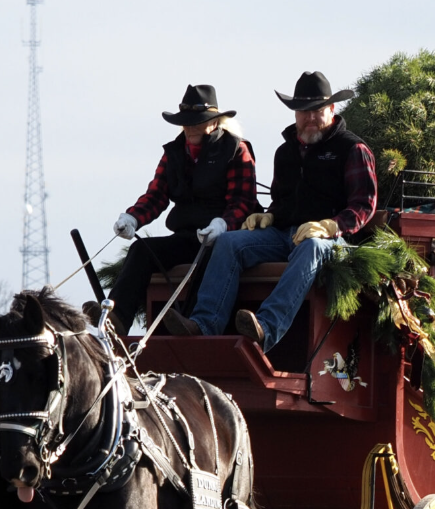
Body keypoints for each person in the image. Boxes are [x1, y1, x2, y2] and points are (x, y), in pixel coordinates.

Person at [161, 72, 379, 350]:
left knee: (311, 245)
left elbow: (364, 205)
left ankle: (266, 328)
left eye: (317, 111)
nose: (310, 118)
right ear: (295, 113)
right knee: (228, 241)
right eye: (303, 111)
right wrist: (269, 215)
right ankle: (204, 325)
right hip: (284, 234)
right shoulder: (284, 152)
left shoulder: (352, 148)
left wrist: (331, 226)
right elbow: (281, 200)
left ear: (332, 110)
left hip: (334, 243)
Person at [105, 84, 260, 334]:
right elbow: (156, 195)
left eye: (198, 121)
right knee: (141, 250)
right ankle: (116, 319)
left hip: (222, 240)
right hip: (186, 237)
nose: (191, 127)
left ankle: (191, 324)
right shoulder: (173, 153)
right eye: (187, 122)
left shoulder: (236, 150)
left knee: (212, 258)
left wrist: (222, 225)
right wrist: (133, 217)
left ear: (215, 122)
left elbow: (243, 202)